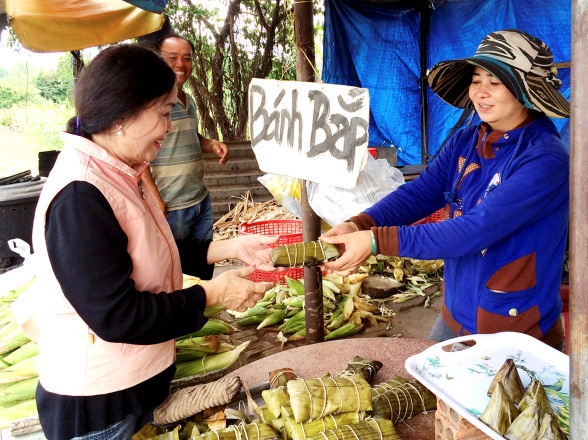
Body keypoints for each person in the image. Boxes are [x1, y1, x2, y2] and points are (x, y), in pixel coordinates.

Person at [29, 44, 277, 440]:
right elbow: (117, 316)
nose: (169, 126)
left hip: (134, 389)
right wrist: (212, 294)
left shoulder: (117, 171)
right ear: (124, 114)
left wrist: (229, 248)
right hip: (101, 409)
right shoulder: (80, 196)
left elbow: (145, 251)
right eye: (163, 113)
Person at [321, 29, 570, 350]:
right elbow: (421, 193)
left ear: (525, 91)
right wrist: (361, 223)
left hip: (516, 329)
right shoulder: (467, 140)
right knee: (436, 394)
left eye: (495, 83)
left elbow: (473, 231)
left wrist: (374, 241)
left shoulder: (545, 160)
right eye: (477, 80)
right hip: (456, 313)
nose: (481, 92)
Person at [142, 34, 228, 243]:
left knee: (202, 267)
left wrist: (211, 144)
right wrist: (155, 197)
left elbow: (191, 135)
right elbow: (139, 153)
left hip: (200, 199)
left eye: (187, 58)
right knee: (178, 270)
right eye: (172, 58)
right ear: (158, 60)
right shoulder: (150, 102)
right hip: (171, 205)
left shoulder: (187, 99)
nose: (180, 64)